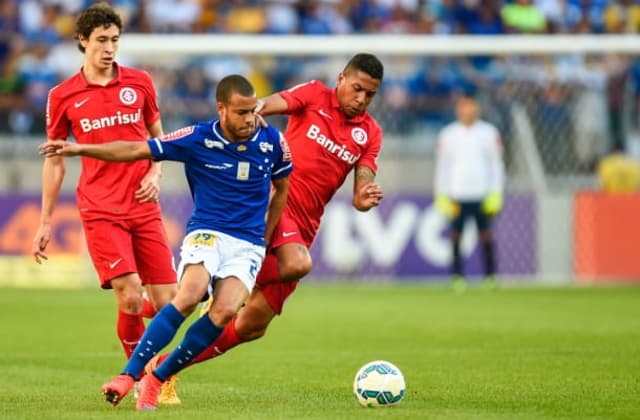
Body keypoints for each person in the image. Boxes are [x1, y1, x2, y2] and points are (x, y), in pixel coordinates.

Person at [143, 52, 386, 407]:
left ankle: (163, 368)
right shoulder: (315, 94)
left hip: (306, 224)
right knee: (298, 263)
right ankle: (217, 281)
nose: (362, 99)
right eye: (358, 89)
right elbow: (273, 102)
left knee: (251, 326)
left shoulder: (370, 134)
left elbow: (363, 182)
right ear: (341, 79)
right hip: (272, 204)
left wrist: (365, 195)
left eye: (370, 95)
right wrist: (251, 112)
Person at [40, 74, 292, 411]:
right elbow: (135, 148)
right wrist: (80, 148)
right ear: (221, 109)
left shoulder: (273, 141)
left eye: (252, 111)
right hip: (208, 233)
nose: (250, 119)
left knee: (225, 311)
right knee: (187, 296)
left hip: (248, 244)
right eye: (242, 112)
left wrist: (263, 238)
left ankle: (156, 379)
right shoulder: (197, 137)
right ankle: (128, 376)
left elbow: (282, 189)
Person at [30, 1, 179, 397]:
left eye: (114, 40)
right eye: (101, 40)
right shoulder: (62, 96)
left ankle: (156, 363)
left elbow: (157, 139)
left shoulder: (140, 83)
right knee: (130, 295)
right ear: (82, 41)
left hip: (143, 205)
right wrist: (45, 220)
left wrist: (155, 171)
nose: (109, 48)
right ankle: (145, 376)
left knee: (170, 304)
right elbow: (55, 160)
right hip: (100, 208)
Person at [434, 93, 505, 291]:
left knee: (487, 236)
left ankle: (490, 277)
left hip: (482, 193)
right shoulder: (448, 135)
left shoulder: (489, 133)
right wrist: (442, 194)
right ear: (459, 109)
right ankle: (457, 277)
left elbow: (496, 166)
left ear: (477, 108)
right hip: (457, 194)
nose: (468, 111)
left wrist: (496, 193)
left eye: (471, 106)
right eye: (464, 107)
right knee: (456, 235)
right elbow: (443, 167)